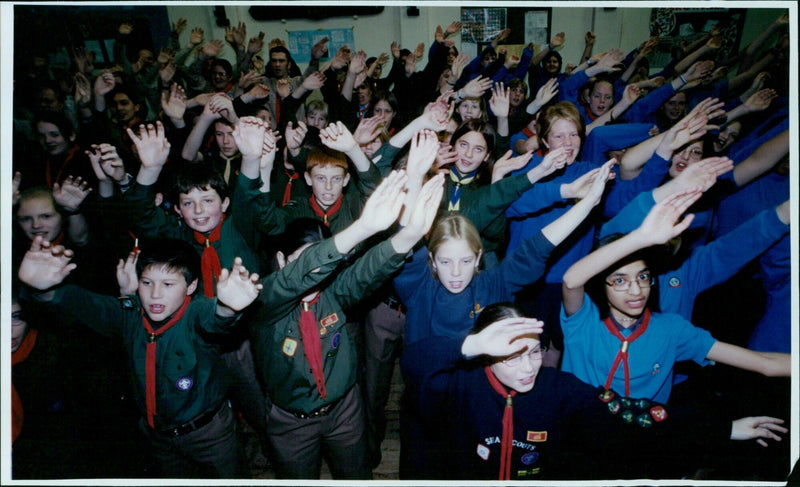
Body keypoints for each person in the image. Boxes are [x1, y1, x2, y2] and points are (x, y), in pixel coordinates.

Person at [401, 301, 787, 480]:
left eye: (534, 352)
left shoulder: (561, 390)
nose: (527, 369)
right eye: (510, 357)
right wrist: (469, 345)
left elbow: (636, 415)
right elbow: (415, 363)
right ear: (486, 355)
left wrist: (725, 428)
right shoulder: (458, 385)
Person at [247, 170, 444, 479]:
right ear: (283, 260)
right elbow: (289, 284)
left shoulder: (333, 292)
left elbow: (367, 269)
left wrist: (409, 234)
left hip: (345, 412)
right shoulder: (265, 303)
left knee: (356, 476)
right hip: (292, 422)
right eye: (302, 260)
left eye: (321, 263)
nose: (314, 274)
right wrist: (363, 227)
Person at [17, 235, 262, 477]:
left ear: (191, 286)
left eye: (168, 284)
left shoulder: (194, 314)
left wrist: (228, 308)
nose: (155, 294)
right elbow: (88, 306)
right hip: (157, 436)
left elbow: (214, 320)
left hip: (208, 434)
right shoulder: (131, 315)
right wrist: (44, 291)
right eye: (147, 283)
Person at [560, 190, 791, 403]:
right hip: (579, 438)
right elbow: (572, 281)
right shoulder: (584, 322)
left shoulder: (672, 329)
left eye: (643, 277)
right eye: (620, 280)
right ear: (602, 285)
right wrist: (641, 238)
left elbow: (765, 364)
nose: (636, 290)